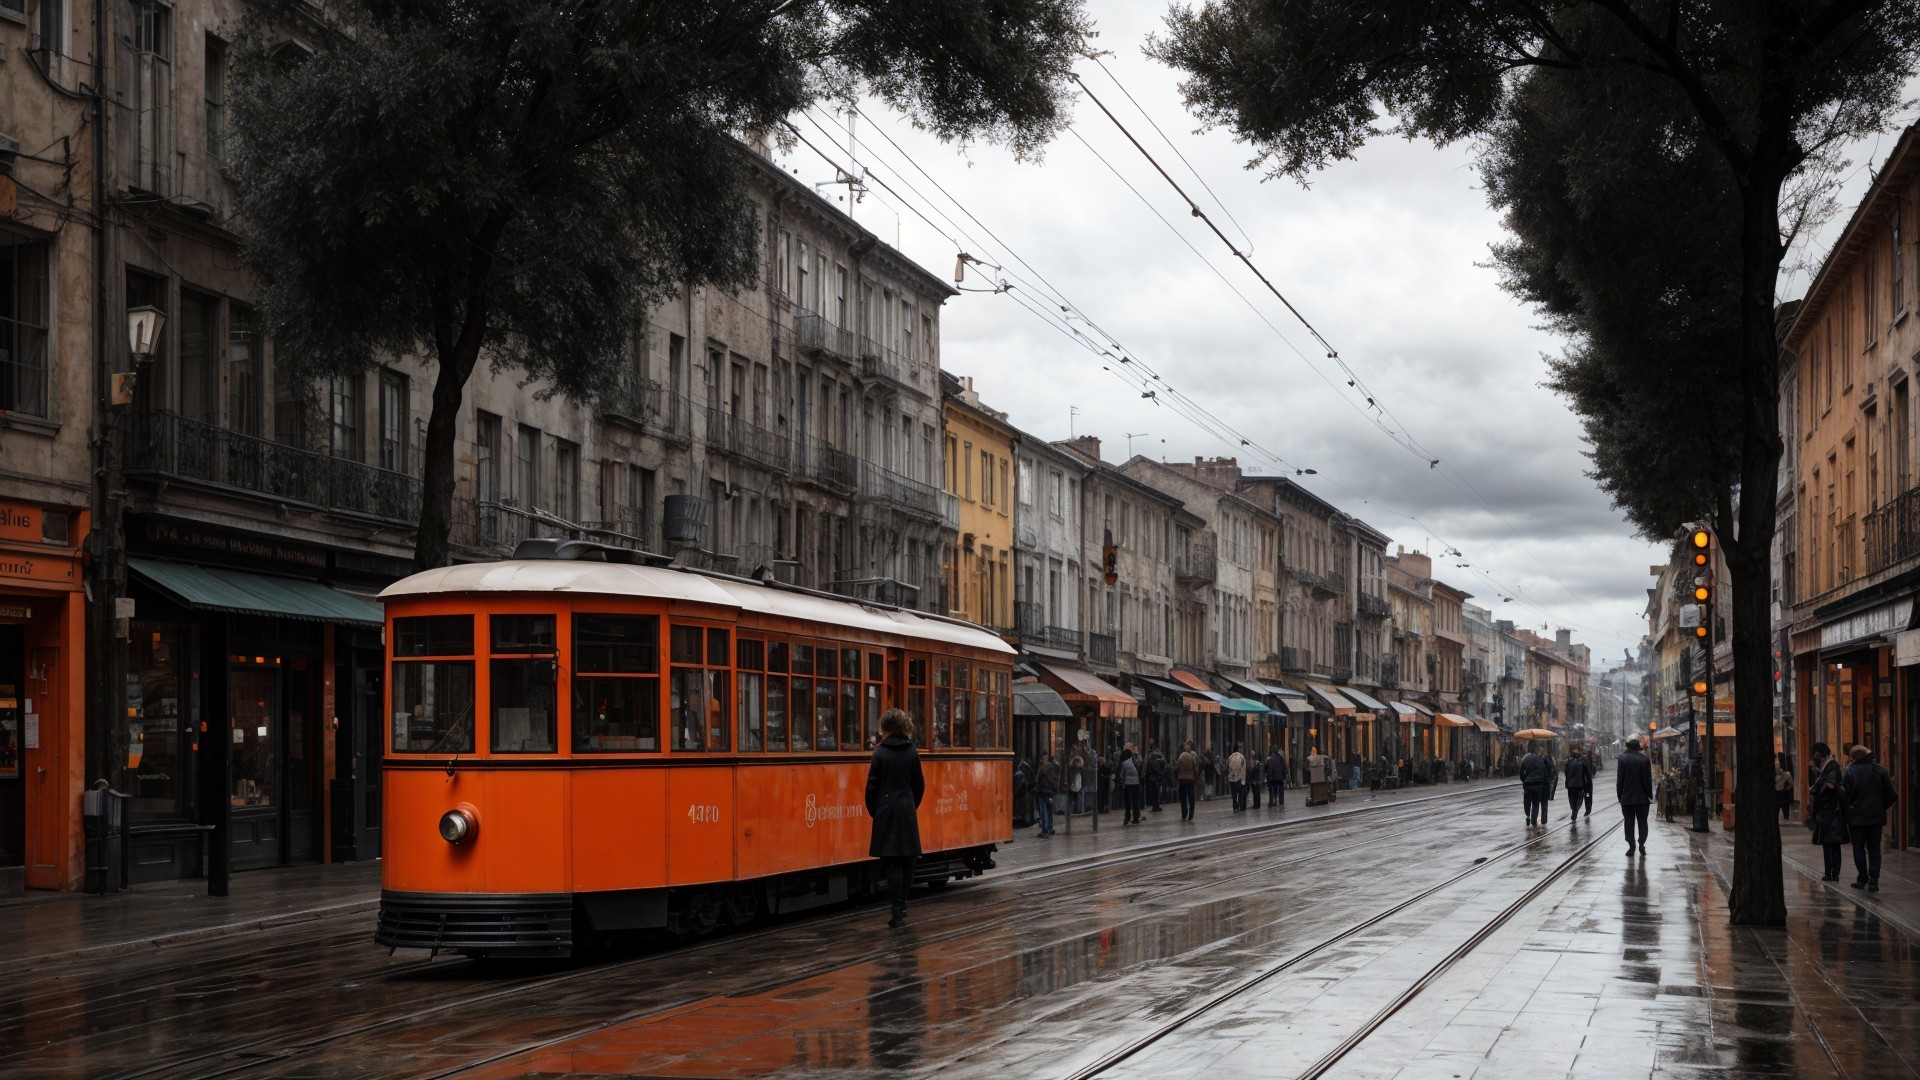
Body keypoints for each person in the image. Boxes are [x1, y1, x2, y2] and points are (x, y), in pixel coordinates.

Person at [866, 708, 926, 929]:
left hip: (886, 809)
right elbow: (919, 785)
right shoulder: (912, 752)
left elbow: (871, 787)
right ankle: (902, 905)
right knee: (908, 860)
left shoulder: (879, 754)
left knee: (892, 863)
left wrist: (877, 811)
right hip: (906, 808)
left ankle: (895, 909)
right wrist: (910, 804)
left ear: (886, 728)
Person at [1841, 745, 1898, 892]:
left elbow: (1844, 796)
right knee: (1874, 849)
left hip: (1856, 818)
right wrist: (1880, 806)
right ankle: (1873, 880)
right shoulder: (1880, 771)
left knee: (1858, 847)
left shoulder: (1850, 772)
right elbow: (1891, 795)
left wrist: (1849, 810)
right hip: (1875, 818)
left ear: (1853, 757)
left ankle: (1862, 878)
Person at [1807, 742, 1847, 882]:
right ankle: (1830, 872)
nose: (1814, 757)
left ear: (1820, 754)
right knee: (1830, 843)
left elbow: (1830, 785)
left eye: (1816, 754)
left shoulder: (1831, 766)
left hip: (1830, 810)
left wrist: (1817, 787)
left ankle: (1832, 873)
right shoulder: (1826, 767)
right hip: (1829, 810)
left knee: (1831, 843)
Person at [1616, 736, 1653, 855]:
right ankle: (1642, 843)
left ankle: (1631, 845)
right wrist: (1650, 795)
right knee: (1643, 822)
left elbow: (1620, 780)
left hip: (1627, 798)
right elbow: (1648, 781)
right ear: (1638, 747)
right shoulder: (1645, 760)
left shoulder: (1622, 759)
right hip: (1642, 799)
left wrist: (1620, 796)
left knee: (1629, 821)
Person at [1519, 744, 1551, 826]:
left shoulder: (1525, 759)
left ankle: (1528, 816)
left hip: (1528, 784)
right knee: (1535, 803)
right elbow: (1545, 773)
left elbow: (1521, 773)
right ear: (1536, 751)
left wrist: (1524, 780)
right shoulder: (1540, 759)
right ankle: (1533, 820)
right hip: (1538, 784)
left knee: (1527, 803)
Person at [1563, 748, 1593, 820]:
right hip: (1581, 784)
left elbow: (1566, 773)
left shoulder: (1569, 762)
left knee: (1573, 798)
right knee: (1584, 796)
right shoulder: (1583, 761)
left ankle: (1574, 809)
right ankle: (1578, 810)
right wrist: (1589, 782)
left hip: (1571, 784)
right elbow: (1588, 773)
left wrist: (1567, 782)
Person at [1034, 753, 1059, 838]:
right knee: (1049, 811)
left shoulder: (1042, 768)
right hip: (1051, 792)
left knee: (1044, 811)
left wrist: (1037, 787)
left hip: (1043, 791)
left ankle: (1045, 830)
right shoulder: (1053, 768)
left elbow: (1037, 780)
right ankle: (1051, 828)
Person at [1119, 744, 1144, 825]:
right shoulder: (1136, 762)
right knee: (1136, 801)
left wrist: (1122, 780)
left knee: (1128, 802)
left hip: (1128, 784)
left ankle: (1127, 818)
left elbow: (1122, 774)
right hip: (1136, 783)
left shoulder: (1125, 763)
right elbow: (1140, 763)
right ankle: (1136, 818)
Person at [1175, 741, 1199, 821]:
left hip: (1182, 779)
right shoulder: (1193, 755)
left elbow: (1177, 766)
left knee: (1183, 797)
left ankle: (1184, 814)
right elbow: (1195, 767)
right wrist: (1195, 776)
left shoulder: (1181, 756)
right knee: (1191, 797)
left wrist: (1176, 776)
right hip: (1190, 779)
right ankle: (1190, 814)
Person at [1145, 741, 1167, 813]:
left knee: (1154, 792)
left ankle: (1155, 806)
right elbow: (1163, 764)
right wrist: (1161, 773)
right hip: (1156, 777)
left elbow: (1150, 766)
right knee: (1156, 792)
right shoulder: (1159, 755)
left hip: (1153, 777)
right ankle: (1156, 806)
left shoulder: (1152, 757)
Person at [1227, 744, 1248, 811]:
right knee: (1240, 794)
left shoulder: (1230, 757)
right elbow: (1243, 769)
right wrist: (1243, 780)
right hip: (1239, 778)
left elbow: (1228, 767)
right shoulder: (1242, 757)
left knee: (1234, 795)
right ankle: (1240, 805)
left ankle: (1235, 806)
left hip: (1231, 778)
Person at [1068, 746, 1087, 814]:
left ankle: (1079, 810)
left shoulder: (1077, 760)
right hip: (1077, 779)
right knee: (1076, 795)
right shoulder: (1077, 759)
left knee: (1077, 795)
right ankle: (1078, 809)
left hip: (1078, 779)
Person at [1775, 755, 1794, 822]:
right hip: (1776, 793)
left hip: (1783, 793)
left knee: (1785, 808)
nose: (1779, 768)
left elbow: (1791, 783)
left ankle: (1786, 817)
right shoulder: (1775, 776)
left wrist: (1787, 789)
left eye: (1780, 767)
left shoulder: (1787, 774)